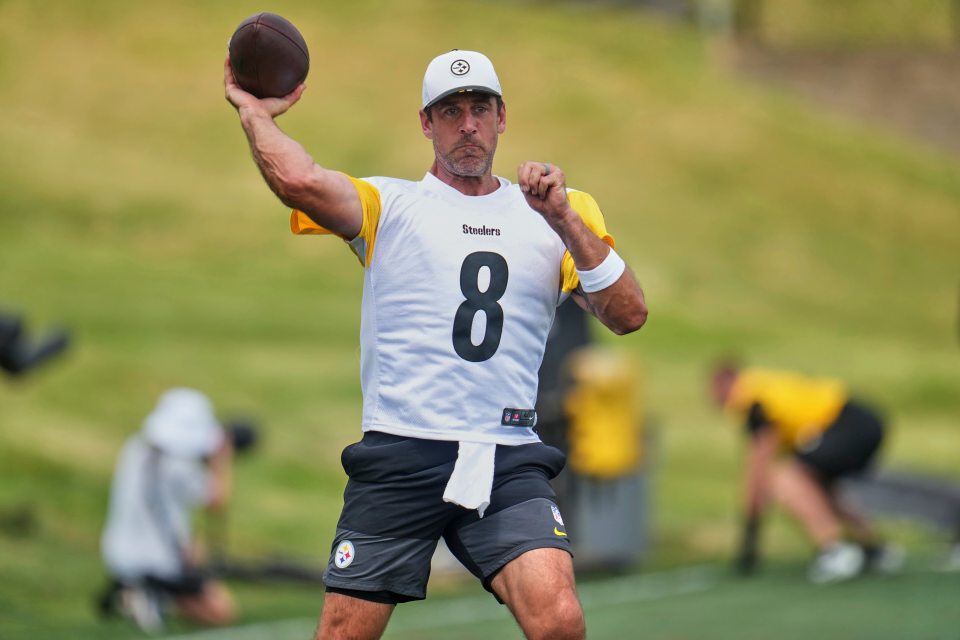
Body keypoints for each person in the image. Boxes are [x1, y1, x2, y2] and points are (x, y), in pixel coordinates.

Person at [224, 48, 648, 640]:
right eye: (450, 111)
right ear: (426, 123)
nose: (467, 125)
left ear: (503, 117)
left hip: (505, 454)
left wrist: (563, 221)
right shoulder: (390, 206)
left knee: (560, 620)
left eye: (479, 108)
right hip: (402, 452)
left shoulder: (560, 212)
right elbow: (299, 181)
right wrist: (254, 115)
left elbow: (628, 314)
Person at [710, 362, 902, 584]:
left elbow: (758, 468)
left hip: (845, 425)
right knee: (814, 483)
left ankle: (833, 550)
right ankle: (873, 549)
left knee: (783, 478)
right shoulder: (764, 383)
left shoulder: (753, 401)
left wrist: (750, 536)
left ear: (726, 383)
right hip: (860, 420)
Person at [99, 388, 237, 631]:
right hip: (158, 562)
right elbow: (216, 500)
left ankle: (136, 592)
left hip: (118, 553)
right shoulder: (179, 467)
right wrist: (221, 460)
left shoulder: (134, 449)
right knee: (222, 610)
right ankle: (153, 597)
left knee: (194, 552)